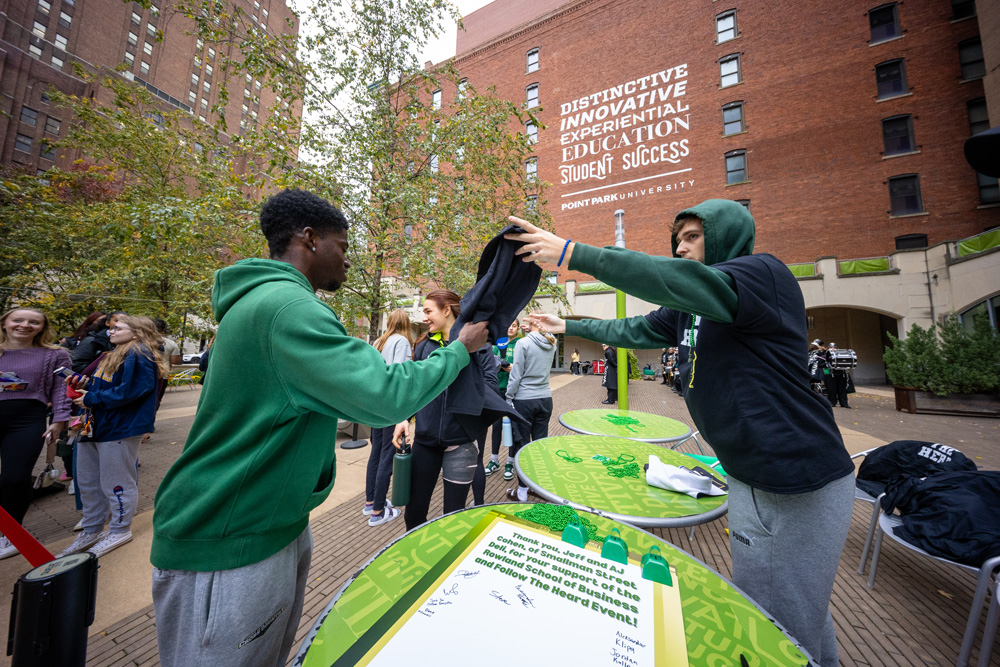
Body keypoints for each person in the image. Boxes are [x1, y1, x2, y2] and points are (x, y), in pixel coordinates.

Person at [508, 200, 854, 667]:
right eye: (677, 240)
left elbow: (674, 278)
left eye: (693, 237)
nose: (681, 248)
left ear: (726, 236)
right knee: (797, 609)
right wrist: (567, 324)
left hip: (790, 477)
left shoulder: (760, 275)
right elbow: (637, 328)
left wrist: (573, 253)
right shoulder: (691, 308)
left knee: (774, 621)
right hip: (750, 473)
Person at [150, 189, 487, 667]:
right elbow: (383, 396)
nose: (348, 261)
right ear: (308, 239)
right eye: (343, 247)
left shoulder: (271, 302)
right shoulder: (289, 309)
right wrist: (459, 350)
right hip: (231, 537)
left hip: (264, 521)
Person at [57, 315, 167, 558]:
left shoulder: (139, 353)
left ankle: (119, 529)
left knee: (116, 481)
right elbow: (111, 386)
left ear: (136, 333)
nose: (111, 331)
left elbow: (134, 390)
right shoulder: (115, 354)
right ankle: (92, 529)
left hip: (119, 427)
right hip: (96, 426)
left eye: (118, 328)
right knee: (88, 481)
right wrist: (86, 385)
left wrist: (92, 397)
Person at [394, 290, 497, 531]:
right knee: (414, 514)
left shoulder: (479, 345)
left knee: (453, 518)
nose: (424, 317)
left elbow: (492, 387)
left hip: (461, 443)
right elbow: (414, 388)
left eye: (428, 311)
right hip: (425, 441)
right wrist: (404, 418)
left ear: (447, 310)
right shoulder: (424, 346)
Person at [0, 308, 72, 559]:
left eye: (34, 322)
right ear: (5, 323)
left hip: (27, 420)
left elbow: (62, 389)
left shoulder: (56, 355)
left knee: (15, 478)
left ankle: (10, 534)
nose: (25, 325)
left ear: (42, 327)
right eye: (18, 320)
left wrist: (59, 420)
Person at [362, 309, 413, 527]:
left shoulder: (378, 341)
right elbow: (399, 375)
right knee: (386, 456)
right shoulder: (402, 341)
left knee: (376, 454)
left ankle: (371, 502)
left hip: (376, 405)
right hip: (391, 406)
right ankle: (378, 511)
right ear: (406, 323)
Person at [504, 317, 556, 502]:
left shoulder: (523, 343)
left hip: (524, 400)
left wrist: (508, 397)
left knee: (522, 446)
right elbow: (548, 336)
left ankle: (522, 491)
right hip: (545, 399)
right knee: (539, 446)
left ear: (531, 323)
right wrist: (535, 330)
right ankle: (537, 486)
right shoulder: (552, 343)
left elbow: (516, 373)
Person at [485, 320, 521, 480]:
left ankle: (510, 462)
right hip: (497, 392)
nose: (510, 328)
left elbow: (523, 366)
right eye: (509, 325)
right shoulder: (496, 345)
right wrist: (500, 365)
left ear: (518, 328)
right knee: (496, 427)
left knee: (512, 428)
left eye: (514, 325)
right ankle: (494, 460)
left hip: (513, 393)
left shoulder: (520, 344)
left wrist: (515, 368)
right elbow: (489, 364)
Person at [154, 318, 180, 410]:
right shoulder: (171, 343)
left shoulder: (140, 341)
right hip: (162, 374)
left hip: (144, 374)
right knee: (157, 400)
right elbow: (175, 361)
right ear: (163, 330)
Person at [824, 342, 851, 409]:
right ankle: (832, 402)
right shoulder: (825, 355)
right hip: (830, 373)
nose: (833, 349)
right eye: (831, 347)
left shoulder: (840, 354)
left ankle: (844, 403)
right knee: (831, 389)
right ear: (828, 348)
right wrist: (827, 369)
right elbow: (821, 364)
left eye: (834, 347)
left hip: (841, 373)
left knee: (842, 389)